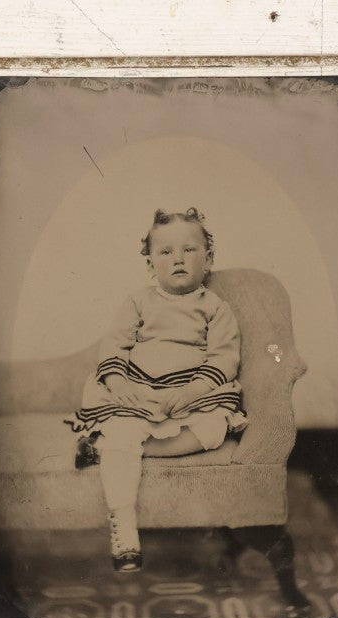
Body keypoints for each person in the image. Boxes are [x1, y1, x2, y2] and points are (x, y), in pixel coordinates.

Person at [69, 208, 246, 571]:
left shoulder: (216, 308)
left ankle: (106, 448)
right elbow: (114, 346)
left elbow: (224, 357)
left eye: (189, 250)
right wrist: (118, 383)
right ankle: (124, 527)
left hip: (190, 393)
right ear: (151, 264)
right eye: (166, 252)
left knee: (214, 429)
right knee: (122, 427)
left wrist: (194, 390)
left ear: (209, 259)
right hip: (140, 390)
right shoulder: (139, 301)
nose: (178, 259)